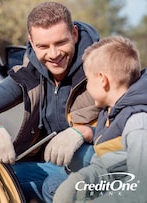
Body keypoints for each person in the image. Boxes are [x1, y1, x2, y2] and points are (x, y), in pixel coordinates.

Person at [0, 1, 102, 202]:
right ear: (32, 43)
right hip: (52, 165)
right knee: (0, 178)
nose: (53, 54)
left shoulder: (104, 65)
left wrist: (85, 132)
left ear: (75, 34)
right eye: (43, 46)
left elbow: (131, 122)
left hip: (98, 163)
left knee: (56, 186)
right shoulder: (29, 75)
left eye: (61, 43)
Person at [53, 36, 147, 203]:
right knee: (54, 186)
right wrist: (80, 179)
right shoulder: (108, 113)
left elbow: (140, 192)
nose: (87, 86)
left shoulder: (138, 125)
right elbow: (109, 164)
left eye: (88, 79)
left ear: (103, 80)